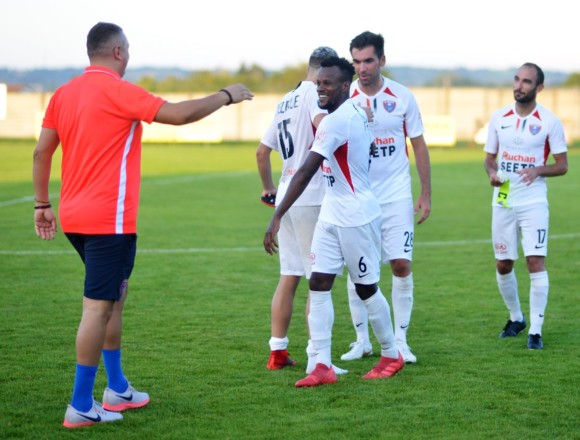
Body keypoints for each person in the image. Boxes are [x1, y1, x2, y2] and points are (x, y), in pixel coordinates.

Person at [32, 22, 253, 428]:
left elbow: (41, 151)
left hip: (75, 218)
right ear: (118, 52)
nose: (129, 56)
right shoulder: (119, 90)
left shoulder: (63, 94)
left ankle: (116, 387)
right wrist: (227, 95)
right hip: (107, 221)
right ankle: (80, 405)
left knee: (115, 296)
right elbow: (180, 115)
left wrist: (42, 203)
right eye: (128, 49)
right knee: (97, 307)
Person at [264, 57, 404, 387]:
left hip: (355, 216)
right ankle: (322, 365)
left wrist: (277, 214)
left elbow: (307, 170)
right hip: (331, 212)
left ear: (345, 86)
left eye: (328, 83)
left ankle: (391, 353)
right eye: (318, 82)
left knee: (366, 288)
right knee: (319, 283)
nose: (320, 88)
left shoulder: (336, 122)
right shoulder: (352, 111)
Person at [256, 46, 350, 375]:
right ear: (321, 71)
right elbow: (324, 126)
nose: (328, 85)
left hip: (286, 193)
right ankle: (317, 358)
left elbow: (261, 152)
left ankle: (277, 351)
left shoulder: (286, 98)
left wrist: (269, 190)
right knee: (318, 279)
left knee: (289, 276)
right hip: (311, 192)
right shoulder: (313, 94)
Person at [341, 31, 431, 364]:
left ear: (382, 60)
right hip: (358, 196)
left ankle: (400, 340)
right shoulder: (345, 96)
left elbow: (419, 144)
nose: (362, 68)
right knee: (358, 270)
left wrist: (425, 193)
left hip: (395, 195)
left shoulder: (402, 96)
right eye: (356, 61)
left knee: (401, 264)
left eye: (368, 60)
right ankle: (362, 340)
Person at [483, 62, 567, 350]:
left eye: (527, 82)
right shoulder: (499, 118)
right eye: (517, 80)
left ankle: (535, 331)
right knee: (504, 263)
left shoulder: (549, 122)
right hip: (504, 199)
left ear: (539, 88)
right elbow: (489, 157)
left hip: (533, 202)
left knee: (535, 261)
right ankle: (516, 318)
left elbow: (563, 166)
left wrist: (538, 170)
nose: (519, 86)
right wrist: (492, 173)